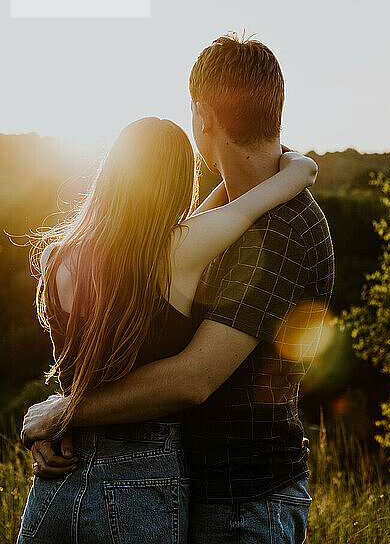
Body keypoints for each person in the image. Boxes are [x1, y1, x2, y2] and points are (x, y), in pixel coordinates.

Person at [22, 34, 334, 544]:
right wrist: (295, 167)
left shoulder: (282, 229)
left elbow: (193, 379)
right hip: (187, 486)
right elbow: (218, 215)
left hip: (246, 500)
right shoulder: (199, 236)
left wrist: (65, 412)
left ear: (203, 116)